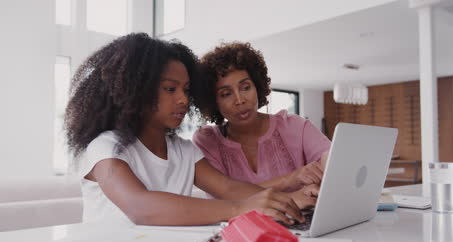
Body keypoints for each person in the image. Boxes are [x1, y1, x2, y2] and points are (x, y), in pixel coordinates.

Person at [65, 33, 313, 226]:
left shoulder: (183, 151)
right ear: (137, 90)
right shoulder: (106, 147)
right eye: (171, 89)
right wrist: (241, 208)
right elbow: (141, 207)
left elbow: (228, 188)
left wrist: (287, 201)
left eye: (186, 90)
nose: (183, 99)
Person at [192, 42, 331, 194]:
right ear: (213, 101)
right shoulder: (207, 140)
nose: (240, 100)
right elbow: (226, 197)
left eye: (246, 87)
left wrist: (328, 165)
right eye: (226, 94)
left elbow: (332, 162)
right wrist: (291, 179)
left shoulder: (295, 126)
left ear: (257, 87)